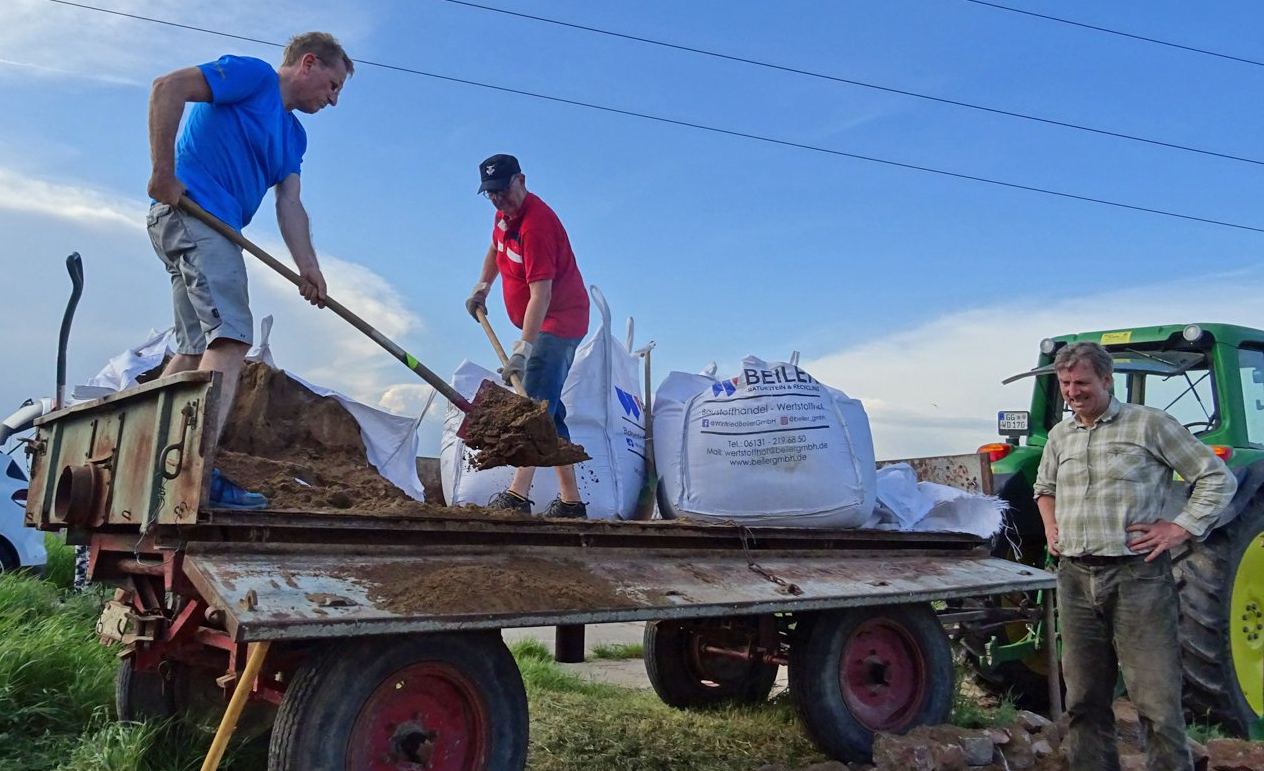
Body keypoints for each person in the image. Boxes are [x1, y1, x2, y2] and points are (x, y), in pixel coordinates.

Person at [146, 32, 352, 509]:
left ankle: (150, 458)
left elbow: (290, 203)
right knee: (232, 339)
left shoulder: (294, 134)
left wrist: (309, 268)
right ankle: (193, 471)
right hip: (195, 213)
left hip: (210, 227)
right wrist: (162, 171)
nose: (333, 99)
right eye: (333, 85)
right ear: (308, 64)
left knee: (195, 349)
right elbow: (166, 87)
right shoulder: (253, 76)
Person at [1033, 341, 1236, 771]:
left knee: (1156, 701)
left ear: (1107, 381)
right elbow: (1044, 489)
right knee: (1085, 700)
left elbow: (1215, 477)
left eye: (1081, 382)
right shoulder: (1059, 435)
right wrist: (1051, 525)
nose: (1072, 391)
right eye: (1065, 383)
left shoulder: (1150, 425)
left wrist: (1178, 527)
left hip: (1136, 577)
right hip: (1074, 577)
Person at [465, 154, 591, 519]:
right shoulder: (504, 216)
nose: (497, 199)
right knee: (550, 412)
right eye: (489, 193)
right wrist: (482, 287)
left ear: (521, 180)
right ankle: (571, 503)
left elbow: (542, 295)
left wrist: (523, 349)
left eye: (502, 190)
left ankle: (517, 496)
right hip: (541, 323)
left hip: (560, 323)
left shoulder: (537, 225)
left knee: (533, 405)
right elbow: (495, 247)